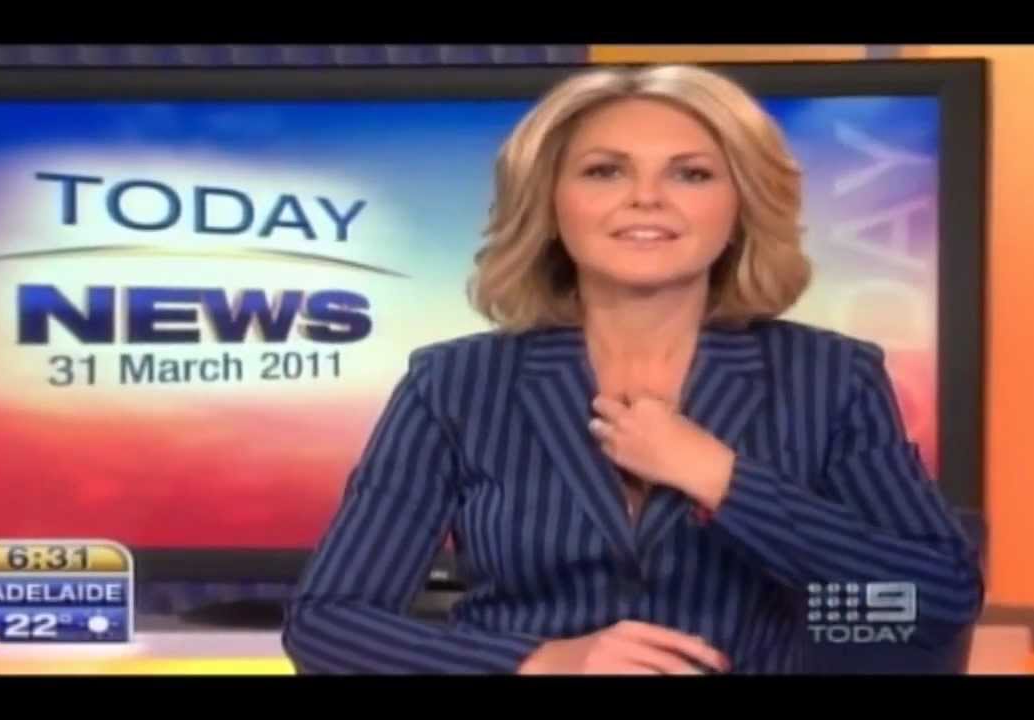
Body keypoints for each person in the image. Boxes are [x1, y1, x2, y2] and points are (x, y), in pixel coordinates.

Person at [280, 64, 985, 674]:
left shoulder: (831, 377)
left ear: (739, 207)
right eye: (605, 171)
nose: (647, 197)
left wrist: (723, 479)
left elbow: (934, 601)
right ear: (550, 204)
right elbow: (328, 623)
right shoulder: (453, 384)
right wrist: (539, 660)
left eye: (691, 173)